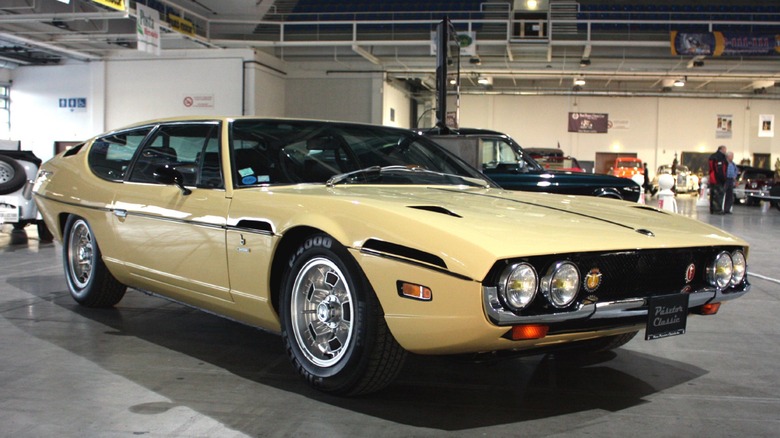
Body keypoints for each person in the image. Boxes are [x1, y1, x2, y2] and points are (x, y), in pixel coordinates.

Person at [708, 145, 728, 214]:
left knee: (712, 194)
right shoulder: (720, 157)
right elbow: (720, 169)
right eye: (725, 150)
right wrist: (723, 179)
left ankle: (712, 209)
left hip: (712, 178)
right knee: (719, 194)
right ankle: (717, 209)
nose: (726, 151)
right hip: (717, 179)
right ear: (722, 149)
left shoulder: (712, 156)